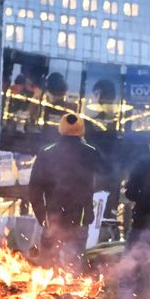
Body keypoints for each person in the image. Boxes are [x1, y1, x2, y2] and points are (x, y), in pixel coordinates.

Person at [28, 114, 104, 268]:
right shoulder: (91, 152)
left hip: (52, 219)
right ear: (81, 131)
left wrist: (42, 217)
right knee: (73, 270)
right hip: (79, 220)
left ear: (60, 130)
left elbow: (34, 188)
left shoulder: (46, 152)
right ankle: (70, 291)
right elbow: (106, 177)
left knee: (47, 268)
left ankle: (45, 291)